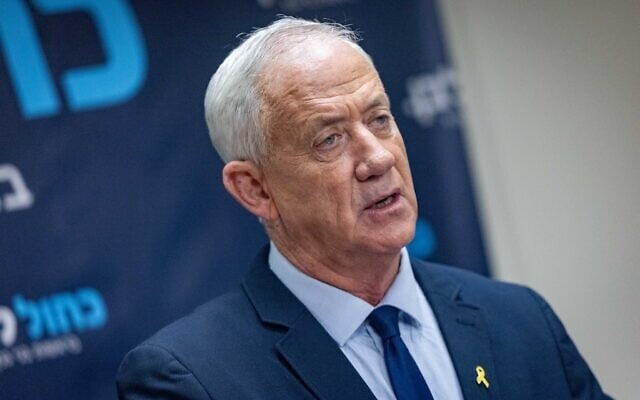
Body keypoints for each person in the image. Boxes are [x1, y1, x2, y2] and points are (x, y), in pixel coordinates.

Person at [117, 17, 610, 400]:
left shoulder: (520, 321)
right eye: (329, 139)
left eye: (379, 120)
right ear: (255, 189)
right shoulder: (192, 379)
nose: (378, 158)